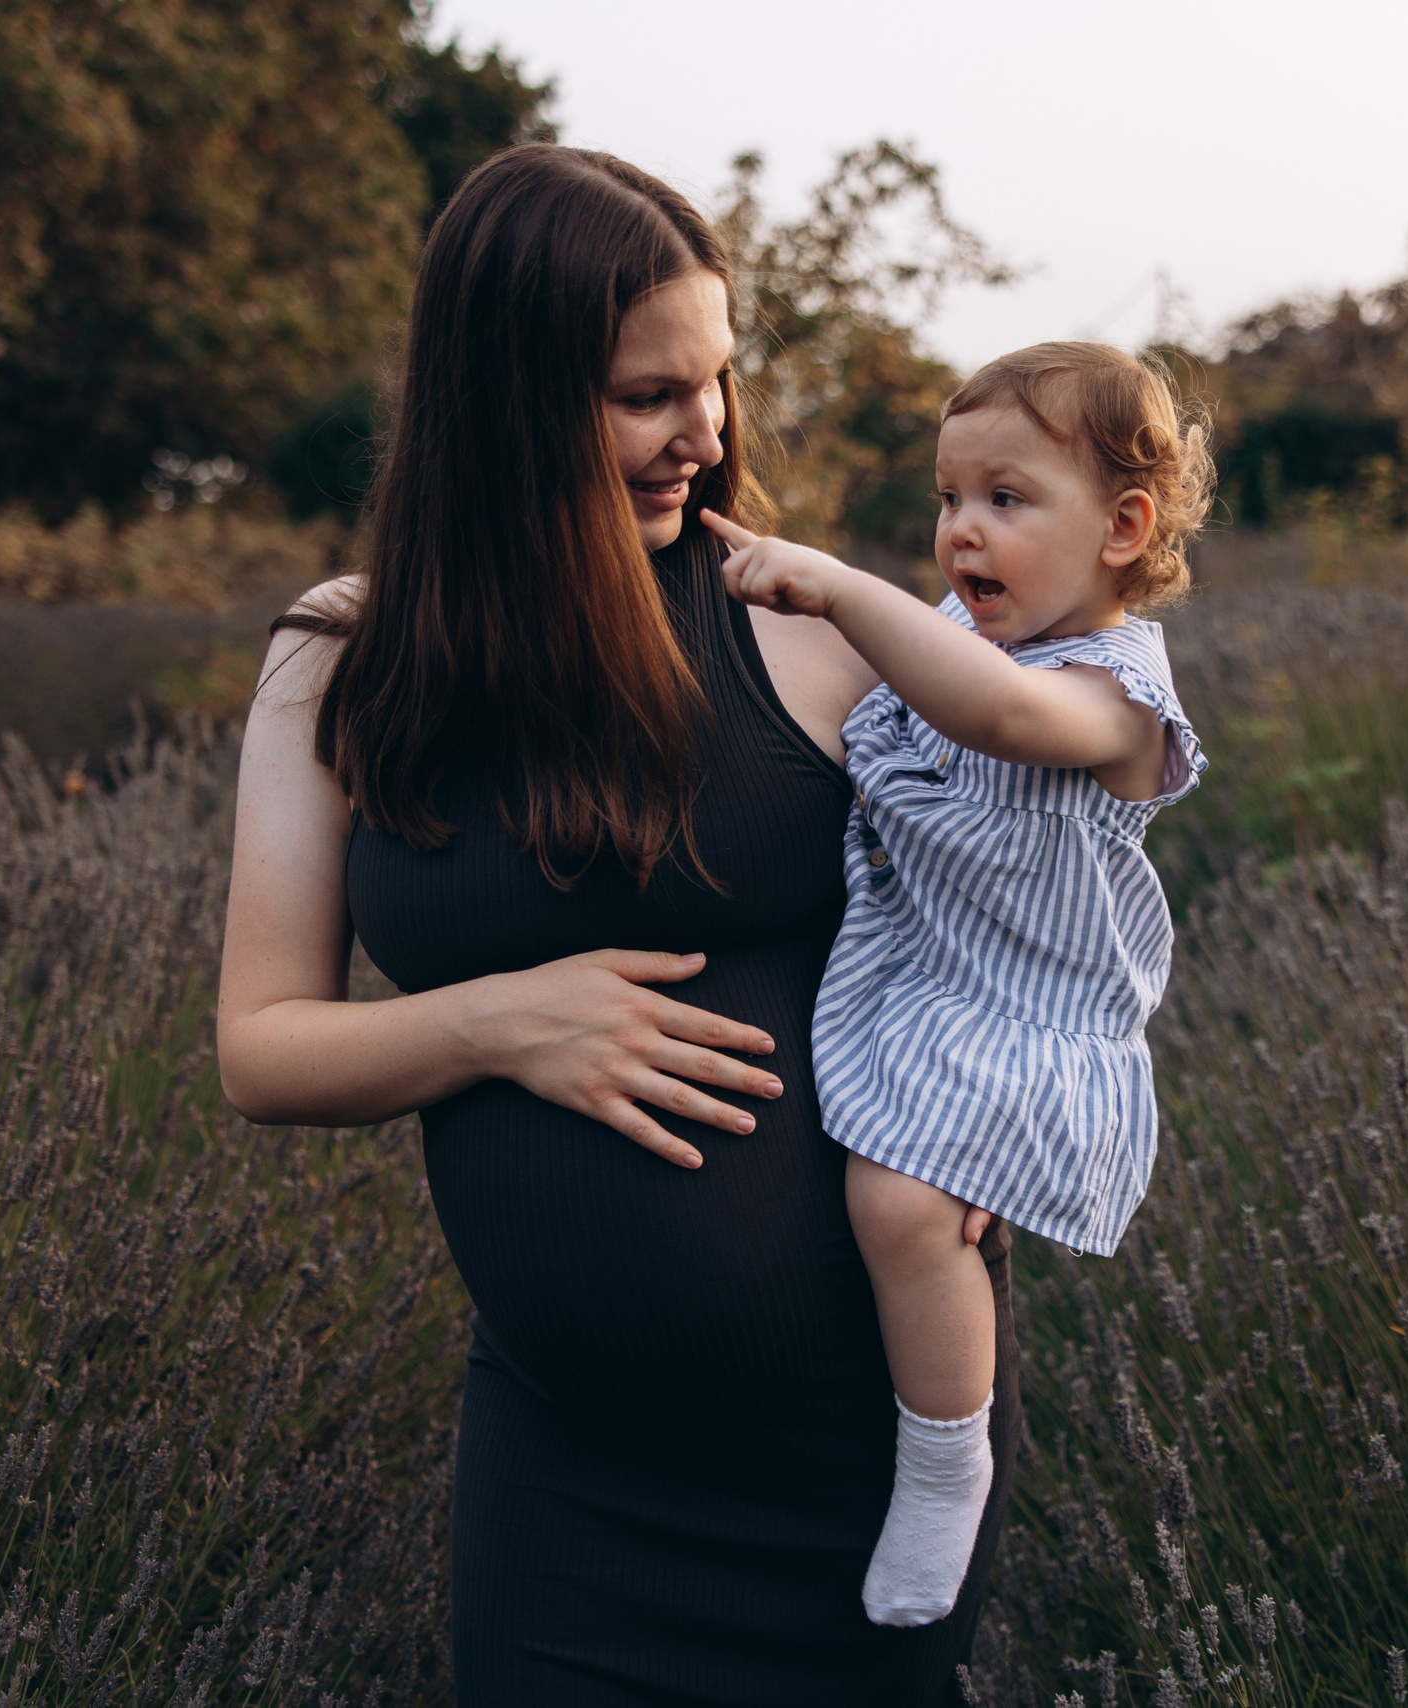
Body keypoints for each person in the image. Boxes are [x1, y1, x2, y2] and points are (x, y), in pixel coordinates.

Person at [213, 144, 1018, 1705]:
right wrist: (501, 1022)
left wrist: (988, 1107)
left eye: (715, 380)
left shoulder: (813, 628)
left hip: (854, 1444)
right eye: (648, 395)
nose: (704, 435)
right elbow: (261, 1050)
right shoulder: (344, 659)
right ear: (505, 402)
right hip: (564, 1469)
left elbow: (1043, 895)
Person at [699, 341, 1210, 1626]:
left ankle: (944, 1457)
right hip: (916, 980)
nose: (960, 530)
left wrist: (838, 588)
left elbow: (996, 719)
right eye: (947, 498)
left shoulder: (1115, 695)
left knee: (901, 1204)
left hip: (1024, 1017)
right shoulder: (957, 636)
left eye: (1005, 499)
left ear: (1121, 528)